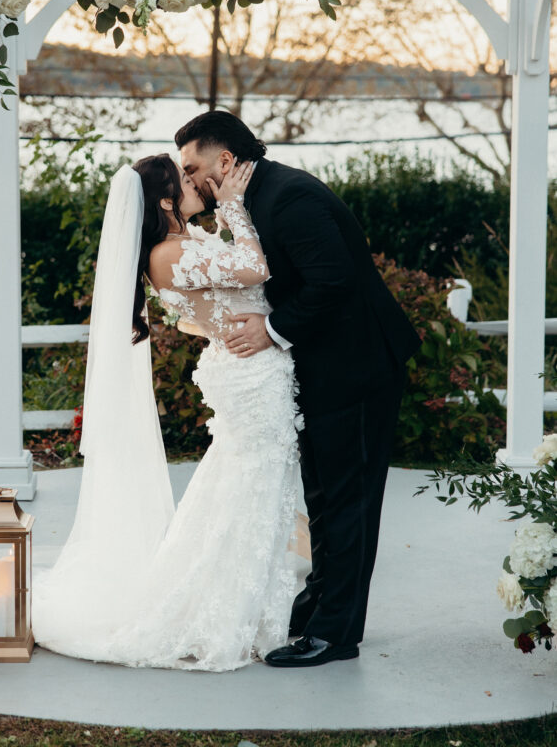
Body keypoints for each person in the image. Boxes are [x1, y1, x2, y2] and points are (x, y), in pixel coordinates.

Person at [32, 153, 303, 671]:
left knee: (244, 488)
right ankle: (219, 617)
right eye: (184, 178)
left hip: (248, 366)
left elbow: (205, 309)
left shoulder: (183, 243)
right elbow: (255, 268)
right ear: (164, 201)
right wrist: (234, 206)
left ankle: (237, 610)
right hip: (249, 375)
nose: (194, 180)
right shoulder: (169, 253)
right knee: (251, 489)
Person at [175, 111, 421, 667]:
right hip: (319, 370)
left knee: (349, 502)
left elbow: (333, 280)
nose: (188, 180)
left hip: (357, 367)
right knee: (324, 498)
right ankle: (317, 609)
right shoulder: (254, 197)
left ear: (225, 161)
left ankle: (336, 634)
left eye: (192, 169)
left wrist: (271, 330)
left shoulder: (289, 197)